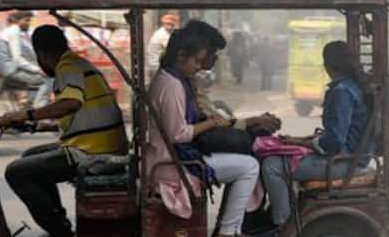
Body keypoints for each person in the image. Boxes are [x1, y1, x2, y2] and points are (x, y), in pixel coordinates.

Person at [0, 25, 127, 237]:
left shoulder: (67, 66)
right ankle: (60, 224)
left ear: (42, 54)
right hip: (99, 144)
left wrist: (26, 114)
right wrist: (41, 125)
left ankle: (61, 233)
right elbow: (81, 113)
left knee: (16, 172)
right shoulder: (77, 63)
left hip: (93, 152)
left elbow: (71, 103)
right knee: (29, 157)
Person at [146, 22, 259, 236]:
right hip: (174, 166)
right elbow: (178, 134)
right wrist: (211, 123)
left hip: (172, 158)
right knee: (250, 166)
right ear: (181, 55)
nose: (199, 67)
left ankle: (230, 227)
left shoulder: (172, 79)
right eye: (196, 61)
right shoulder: (172, 85)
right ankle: (227, 231)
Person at [260, 41, 369, 228]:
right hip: (346, 156)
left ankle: (282, 225)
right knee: (280, 157)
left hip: (344, 161)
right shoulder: (348, 86)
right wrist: (300, 141)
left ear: (328, 65)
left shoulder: (341, 92)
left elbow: (333, 142)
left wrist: (306, 143)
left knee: (272, 166)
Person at [0, 10, 50, 107]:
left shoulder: (8, 31)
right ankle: (38, 110)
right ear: (17, 21)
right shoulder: (14, 31)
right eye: (26, 21)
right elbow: (17, 59)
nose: (28, 23)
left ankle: (32, 104)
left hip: (7, 69)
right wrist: (38, 70)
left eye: (29, 21)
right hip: (11, 70)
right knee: (49, 80)